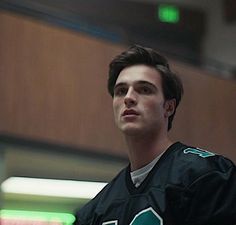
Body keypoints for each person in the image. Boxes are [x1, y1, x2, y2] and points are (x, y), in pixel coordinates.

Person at [74, 45, 236, 225]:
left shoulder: (207, 175)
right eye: (120, 91)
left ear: (169, 107)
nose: (128, 98)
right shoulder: (95, 210)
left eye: (144, 89)